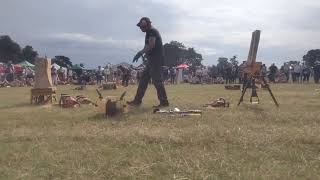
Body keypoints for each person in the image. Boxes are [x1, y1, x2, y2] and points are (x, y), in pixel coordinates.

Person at [127, 17, 169, 108]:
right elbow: (148, 46)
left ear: (147, 24)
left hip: (155, 60)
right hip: (151, 60)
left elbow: (151, 45)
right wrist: (145, 55)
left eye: (142, 27)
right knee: (143, 81)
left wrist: (140, 53)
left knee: (157, 81)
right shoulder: (148, 33)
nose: (140, 28)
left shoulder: (152, 31)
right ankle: (137, 101)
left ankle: (164, 102)